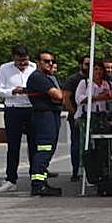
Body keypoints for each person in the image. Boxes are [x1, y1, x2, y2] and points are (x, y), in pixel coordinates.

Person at [0, 44, 36, 193]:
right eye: (19, 61)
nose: (23, 64)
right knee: (13, 146)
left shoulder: (34, 67)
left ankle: (36, 176)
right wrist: (12, 91)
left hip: (31, 109)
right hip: (13, 109)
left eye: (25, 61)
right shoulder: (5, 69)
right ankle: (11, 178)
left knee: (34, 145)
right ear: (13, 59)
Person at [25, 51, 64, 197]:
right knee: (44, 150)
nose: (50, 64)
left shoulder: (47, 78)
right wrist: (59, 97)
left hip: (49, 115)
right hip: (44, 116)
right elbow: (58, 95)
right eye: (46, 61)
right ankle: (38, 185)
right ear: (38, 62)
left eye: (52, 61)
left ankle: (41, 182)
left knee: (47, 150)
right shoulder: (38, 77)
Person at [74, 61, 112, 178]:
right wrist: (98, 97)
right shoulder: (84, 83)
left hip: (103, 116)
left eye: (100, 69)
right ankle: (85, 170)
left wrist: (110, 97)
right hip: (88, 116)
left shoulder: (109, 84)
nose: (98, 72)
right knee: (86, 143)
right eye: (95, 69)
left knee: (104, 144)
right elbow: (79, 99)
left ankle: (104, 168)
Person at [61, 56, 90, 181]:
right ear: (80, 65)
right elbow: (66, 98)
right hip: (77, 117)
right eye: (86, 64)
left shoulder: (94, 79)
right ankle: (76, 171)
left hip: (91, 117)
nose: (89, 67)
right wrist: (74, 114)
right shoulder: (73, 80)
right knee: (77, 144)